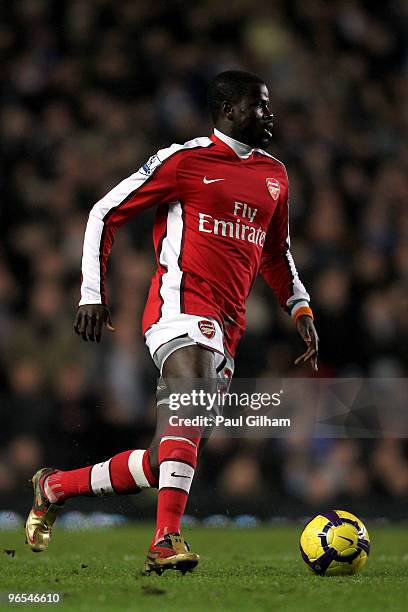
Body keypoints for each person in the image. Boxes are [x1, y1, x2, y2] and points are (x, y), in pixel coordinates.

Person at [25, 70, 318, 574]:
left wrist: (300, 305)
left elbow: (276, 252)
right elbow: (104, 211)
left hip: (229, 324)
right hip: (179, 307)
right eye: (259, 106)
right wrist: (92, 291)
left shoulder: (276, 175)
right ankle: (165, 539)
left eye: (269, 106)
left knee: (167, 457)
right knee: (191, 399)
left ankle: (55, 486)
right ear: (228, 110)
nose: (269, 114)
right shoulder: (184, 161)